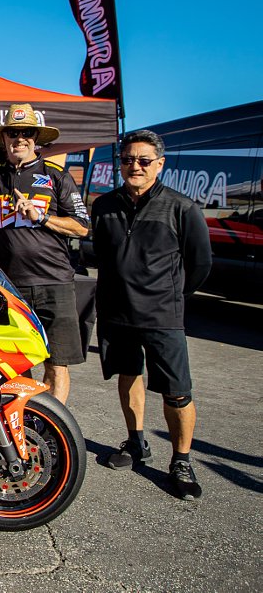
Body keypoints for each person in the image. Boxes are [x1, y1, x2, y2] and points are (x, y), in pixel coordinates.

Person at [92, 129, 212, 500]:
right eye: (128, 159)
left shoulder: (181, 207)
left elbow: (201, 264)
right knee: (128, 378)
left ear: (159, 165)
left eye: (144, 161)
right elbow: (101, 255)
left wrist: (172, 295)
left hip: (162, 316)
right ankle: (136, 442)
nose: (135, 166)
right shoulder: (104, 205)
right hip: (116, 312)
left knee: (177, 393)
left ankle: (181, 460)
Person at [0, 104, 89, 404]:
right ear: (3, 139)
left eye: (26, 133)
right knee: (16, 363)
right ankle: (21, 424)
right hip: (11, 286)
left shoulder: (57, 176)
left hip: (55, 283)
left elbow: (81, 227)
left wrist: (42, 217)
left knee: (57, 363)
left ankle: (52, 425)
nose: (19, 139)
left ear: (36, 138)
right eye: (13, 133)